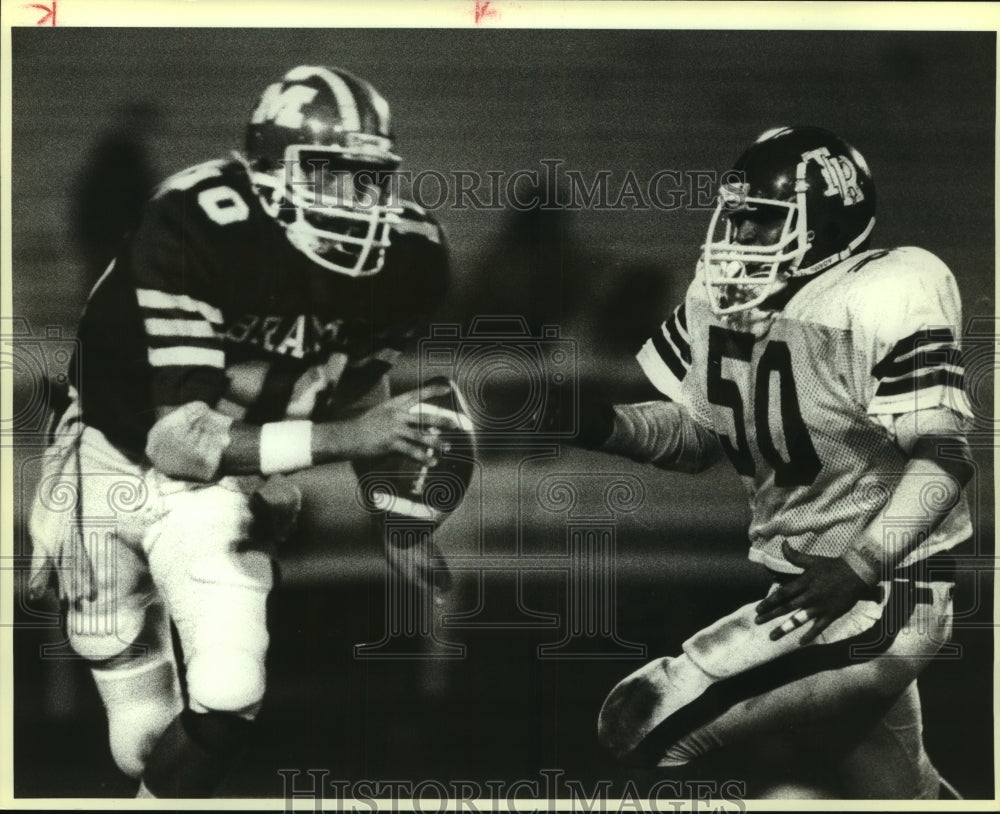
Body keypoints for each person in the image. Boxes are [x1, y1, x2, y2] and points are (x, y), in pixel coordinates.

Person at [28, 65, 456, 798]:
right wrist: (347, 441)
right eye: (327, 174)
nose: (354, 201)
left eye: (369, 178)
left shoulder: (409, 255)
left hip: (228, 470)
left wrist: (396, 519)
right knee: (134, 733)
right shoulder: (193, 223)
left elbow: (357, 387)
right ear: (265, 172)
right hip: (117, 443)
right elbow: (179, 444)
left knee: (229, 691)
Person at [566, 126, 974, 799]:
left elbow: (945, 458)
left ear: (827, 223)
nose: (739, 237)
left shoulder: (885, 290)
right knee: (903, 796)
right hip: (807, 591)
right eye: (738, 217)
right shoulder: (727, 301)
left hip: (889, 593)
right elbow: (700, 436)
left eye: (761, 221)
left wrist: (857, 566)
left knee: (646, 720)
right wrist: (593, 424)